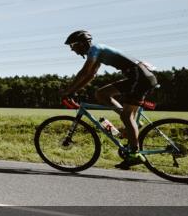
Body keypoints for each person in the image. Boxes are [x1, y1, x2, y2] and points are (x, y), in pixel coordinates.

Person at [59, 30, 159, 169]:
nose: (72, 49)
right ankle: (134, 123)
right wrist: (74, 90)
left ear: (81, 43)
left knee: (126, 116)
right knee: (101, 94)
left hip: (139, 77)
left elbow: (84, 72)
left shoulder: (95, 49)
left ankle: (135, 154)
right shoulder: (96, 52)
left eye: (72, 46)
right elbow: (90, 75)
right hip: (137, 76)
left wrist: (67, 91)